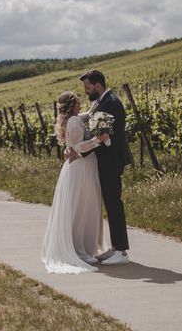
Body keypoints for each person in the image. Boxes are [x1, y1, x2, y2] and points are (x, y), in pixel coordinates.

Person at [41, 91, 109, 273]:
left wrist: (99, 100)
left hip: (80, 166)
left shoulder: (73, 119)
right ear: (73, 104)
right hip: (82, 168)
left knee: (81, 207)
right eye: (78, 100)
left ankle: (84, 248)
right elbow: (79, 147)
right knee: (83, 208)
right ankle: (81, 250)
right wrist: (98, 140)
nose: (81, 102)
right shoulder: (74, 121)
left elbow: (88, 114)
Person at [71, 70, 132, 265]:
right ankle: (115, 247)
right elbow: (92, 125)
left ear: (98, 85)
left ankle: (121, 252)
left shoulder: (111, 103)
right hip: (106, 160)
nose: (86, 91)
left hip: (111, 160)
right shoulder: (102, 102)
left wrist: (79, 151)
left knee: (114, 202)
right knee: (110, 201)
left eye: (88, 87)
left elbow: (103, 135)